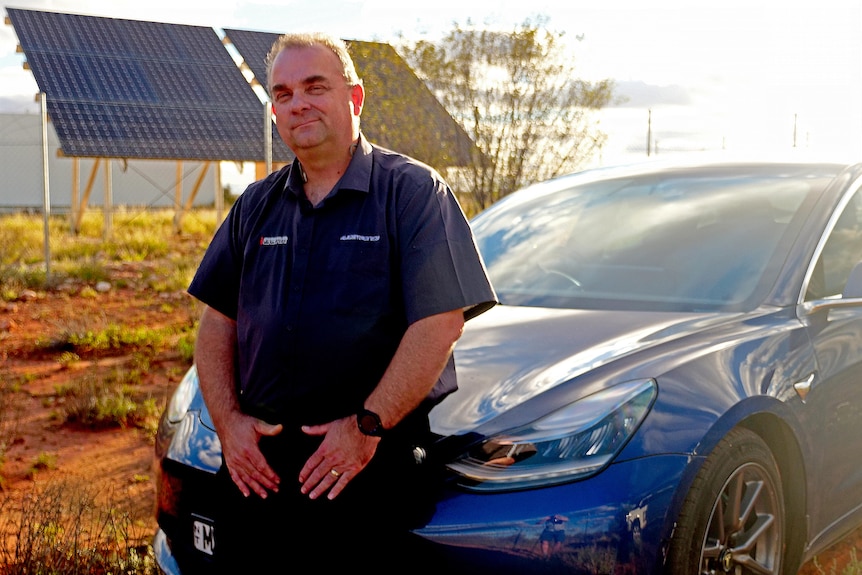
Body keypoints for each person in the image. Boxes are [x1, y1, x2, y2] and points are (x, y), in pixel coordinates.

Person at [187, 32, 496, 571]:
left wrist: (365, 428)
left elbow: (439, 324)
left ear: (354, 99)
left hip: (367, 466)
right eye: (282, 93)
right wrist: (230, 424)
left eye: (314, 87)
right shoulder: (256, 205)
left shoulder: (413, 193)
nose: (297, 103)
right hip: (259, 467)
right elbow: (217, 322)